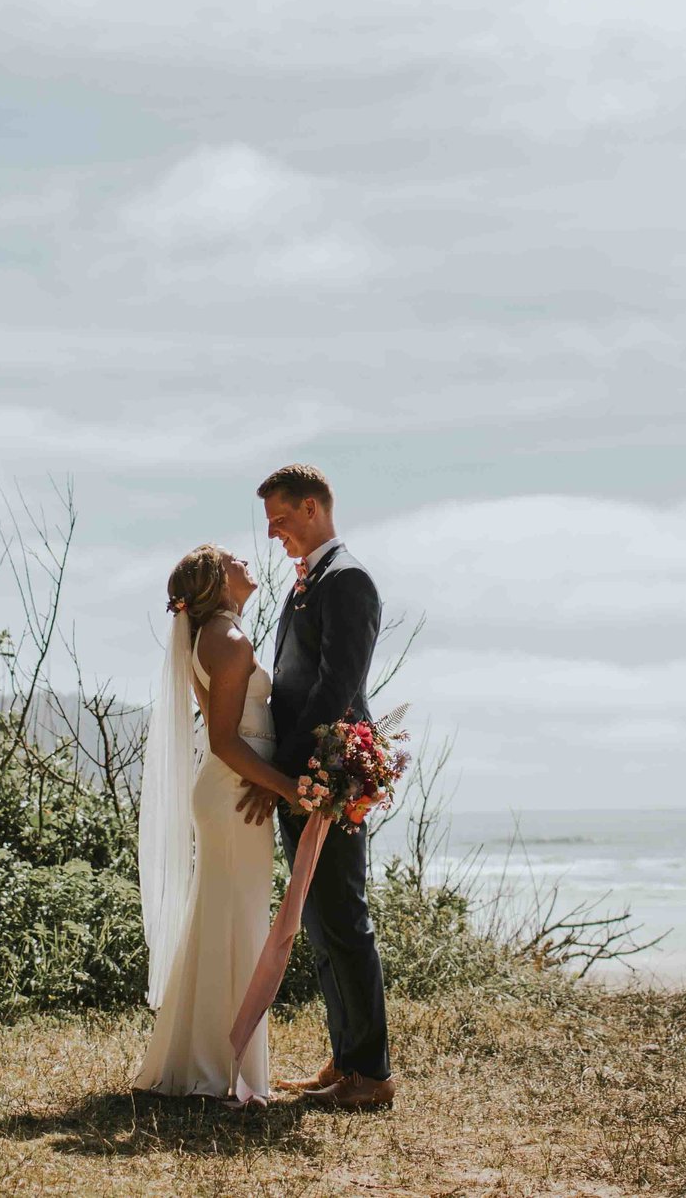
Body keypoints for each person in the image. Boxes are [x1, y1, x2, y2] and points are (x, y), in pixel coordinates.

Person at [238, 462, 395, 1111]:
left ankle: (373, 1072)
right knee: (320, 921)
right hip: (300, 776)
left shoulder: (349, 579)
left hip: (326, 776)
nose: (274, 534)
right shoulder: (307, 583)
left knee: (344, 916)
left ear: (311, 507)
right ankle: (345, 1056)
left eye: (280, 520)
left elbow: (336, 687)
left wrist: (295, 771)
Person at [131, 544, 298, 1101]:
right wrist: (286, 787)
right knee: (237, 925)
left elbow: (227, 733)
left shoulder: (213, 638)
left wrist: (266, 777)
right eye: (230, 558)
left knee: (224, 921)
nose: (243, 560)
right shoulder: (226, 640)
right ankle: (219, 1066)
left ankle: (205, 1059)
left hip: (233, 788)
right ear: (215, 581)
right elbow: (227, 740)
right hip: (235, 793)